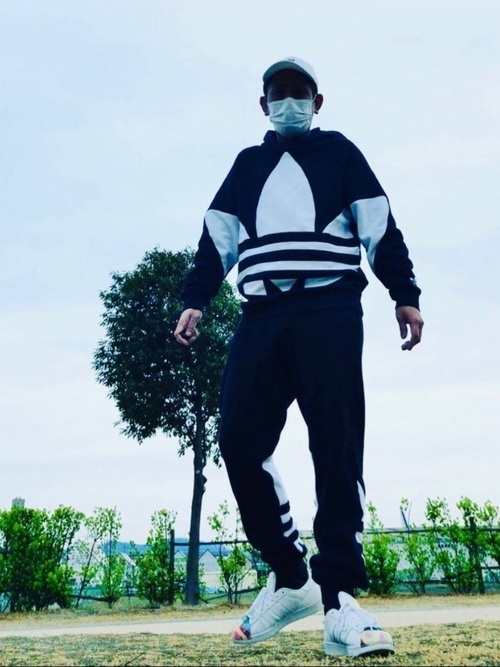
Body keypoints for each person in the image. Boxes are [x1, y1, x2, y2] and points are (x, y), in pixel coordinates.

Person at [174, 56, 423, 657]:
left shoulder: (341, 154)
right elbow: (216, 240)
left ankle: (340, 600)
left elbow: (380, 227)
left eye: (299, 92)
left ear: (318, 101)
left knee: (336, 445)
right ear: (263, 105)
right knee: (238, 441)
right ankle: (291, 576)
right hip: (261, 317)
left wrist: (405, 293)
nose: (289, 101)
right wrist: (195, 299)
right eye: (278, 93)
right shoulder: (247, 166)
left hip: (329, 312)